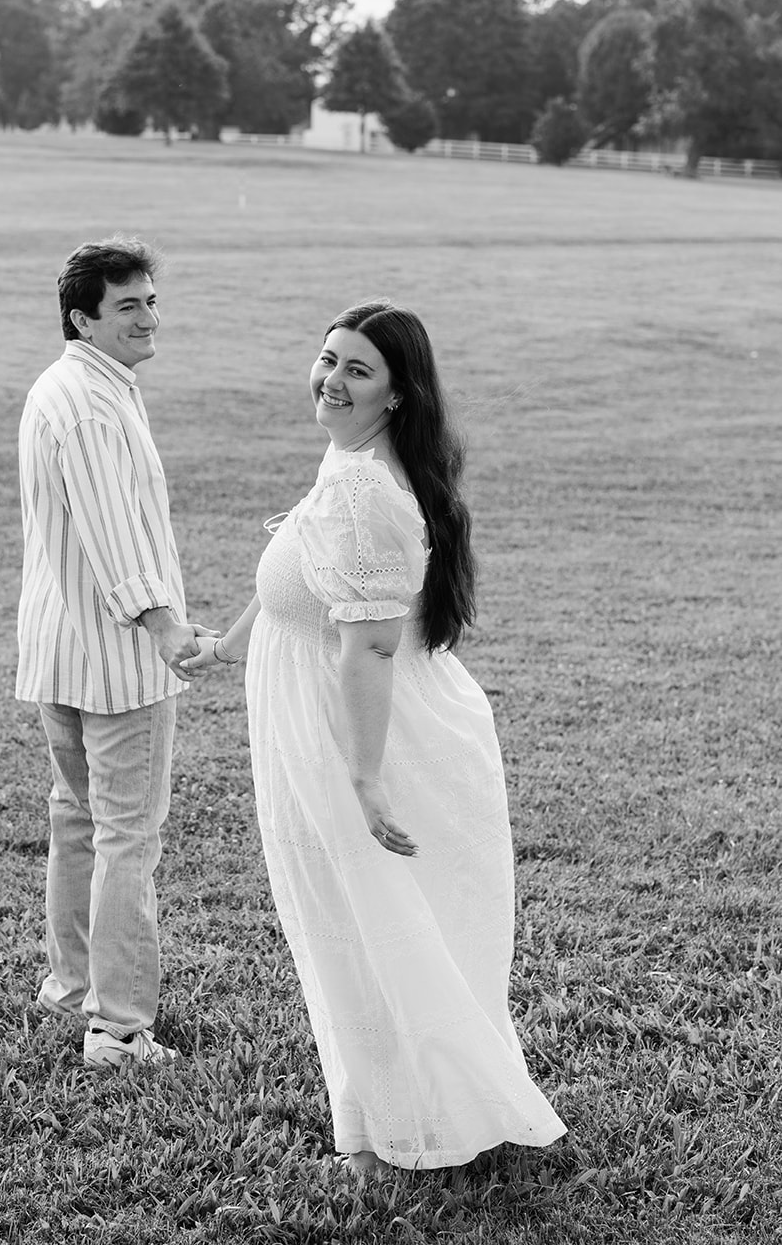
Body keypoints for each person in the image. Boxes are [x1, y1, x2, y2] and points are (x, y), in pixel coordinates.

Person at [191, 301, 567, 1171]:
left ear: (397, 395)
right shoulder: (350, 459)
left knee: (366, 930)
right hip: (344, 727)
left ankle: (396, 1137)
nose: (330, 379)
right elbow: (298, 566)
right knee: (361, 927)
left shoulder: (368, 491)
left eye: (357, 370)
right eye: (327, 359)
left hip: (368, 740)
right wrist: (224, 644)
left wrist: (364, 781)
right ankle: (400, 1120)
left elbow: (365, 642)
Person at [16, 237, 209, 1070]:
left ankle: (71, 989)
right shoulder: (90, 404)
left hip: (61, 651)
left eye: (151, 300)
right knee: (127, 836)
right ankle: (119, 1028)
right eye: (127, 305)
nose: (147, 317)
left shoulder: (70, 385)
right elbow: (109, 534)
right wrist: (164, 625)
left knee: (79, 823)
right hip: (115, 660)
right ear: (82, 316)